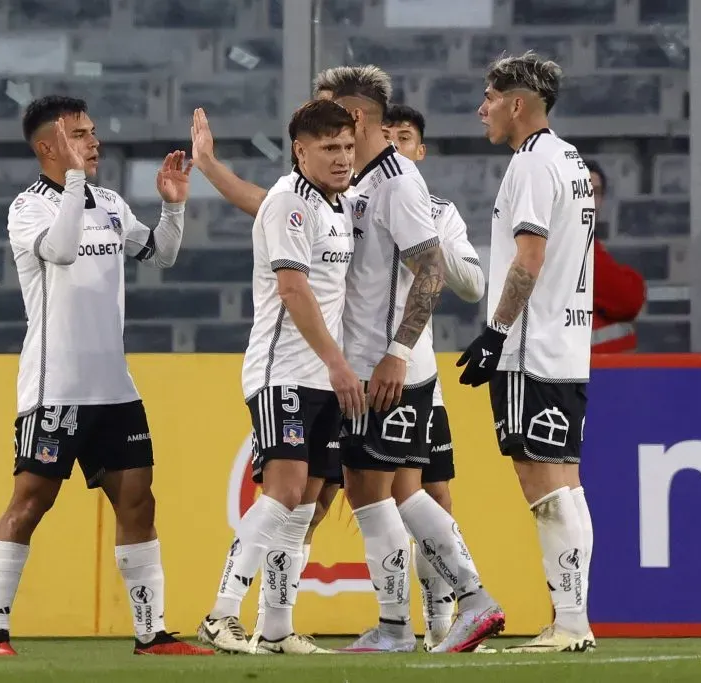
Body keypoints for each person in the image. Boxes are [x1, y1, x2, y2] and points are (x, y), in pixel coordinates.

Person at [193, 67, 503, 655]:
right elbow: (279, 212)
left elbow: (432, 272)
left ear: (356, 119)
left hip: (380, 368)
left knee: (379, 495)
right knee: (377, 493)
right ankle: (313, 626)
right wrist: (211, 170)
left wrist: (394, 354)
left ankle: (456, 602)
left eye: (336, 121)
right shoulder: (351, 186)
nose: (333, 134)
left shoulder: (397, 182)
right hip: (349, 370)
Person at [0, 95, 211, 657]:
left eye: (92, 132)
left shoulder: (109, 202)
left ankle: (151, 634)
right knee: (30, 502)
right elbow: (58, 250)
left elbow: (160, 255)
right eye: (80, 134)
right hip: (55, 386)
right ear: (47, 147)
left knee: (139, 503)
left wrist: (172, 208)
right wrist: (76, 183)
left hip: (114, 388)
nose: (94, 142)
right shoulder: (27, 208)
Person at [197, 99, 364, 655]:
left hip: (322, 377)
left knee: (310, 501)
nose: (342, 158)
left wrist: (211, 167)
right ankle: (221, 614)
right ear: (300, 150)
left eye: (346, 146)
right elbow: (293, 291)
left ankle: (276, 625)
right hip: (284, 373)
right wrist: (340, 364)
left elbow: (254, 200)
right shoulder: (292, 202)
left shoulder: (334, 203)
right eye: (329, 148)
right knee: (285, 491)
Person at [458, 51, 595, 653]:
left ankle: (569, 623)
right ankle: (574, 619)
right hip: (567, 345)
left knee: (541, 485)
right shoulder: (570, 160)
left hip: (530, 347)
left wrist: (495, 334)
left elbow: (529, 258)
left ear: (517, 104)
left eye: (489, 96)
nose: (481, 108)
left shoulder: (533, 165)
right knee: (566, 485)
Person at [381, 104, 490, 652]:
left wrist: (424, 231)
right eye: (390, 136)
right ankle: (389, 621)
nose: (398, 145)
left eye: (407, 139)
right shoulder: (358, 202)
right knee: (345, 494)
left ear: (420, 152)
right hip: (362, 370)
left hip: (418, 372)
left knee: (434, 493)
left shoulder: (441, 211)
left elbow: (472, 285)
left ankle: (441, 623)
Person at [584, 159, 645, 353]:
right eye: (582, 192)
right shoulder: (572, 244)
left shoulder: (589, 243)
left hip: (602, 371)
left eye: (596, 193)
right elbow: (628, 299)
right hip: (587, 373)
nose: (590, 201)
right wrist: (631, 277)